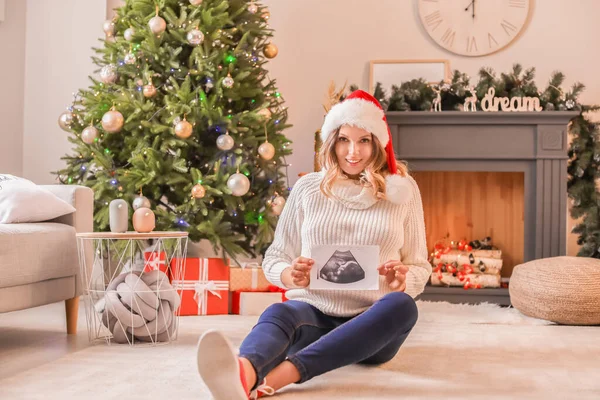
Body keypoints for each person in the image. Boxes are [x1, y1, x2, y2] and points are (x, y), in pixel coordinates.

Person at [196, 90, 431, 399]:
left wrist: (403, 278)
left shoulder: (402, 190)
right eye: (345, 139)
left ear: (378, 143)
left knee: (403, 307)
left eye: (364, 141)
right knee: (280, 313)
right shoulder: (308, 189)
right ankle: (243, 372)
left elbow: (420, 265)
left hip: (373, 325)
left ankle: (284, 375)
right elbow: (276, 257)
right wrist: (289, 274)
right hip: (314, 314)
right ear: (332, 141)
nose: (353, 152)